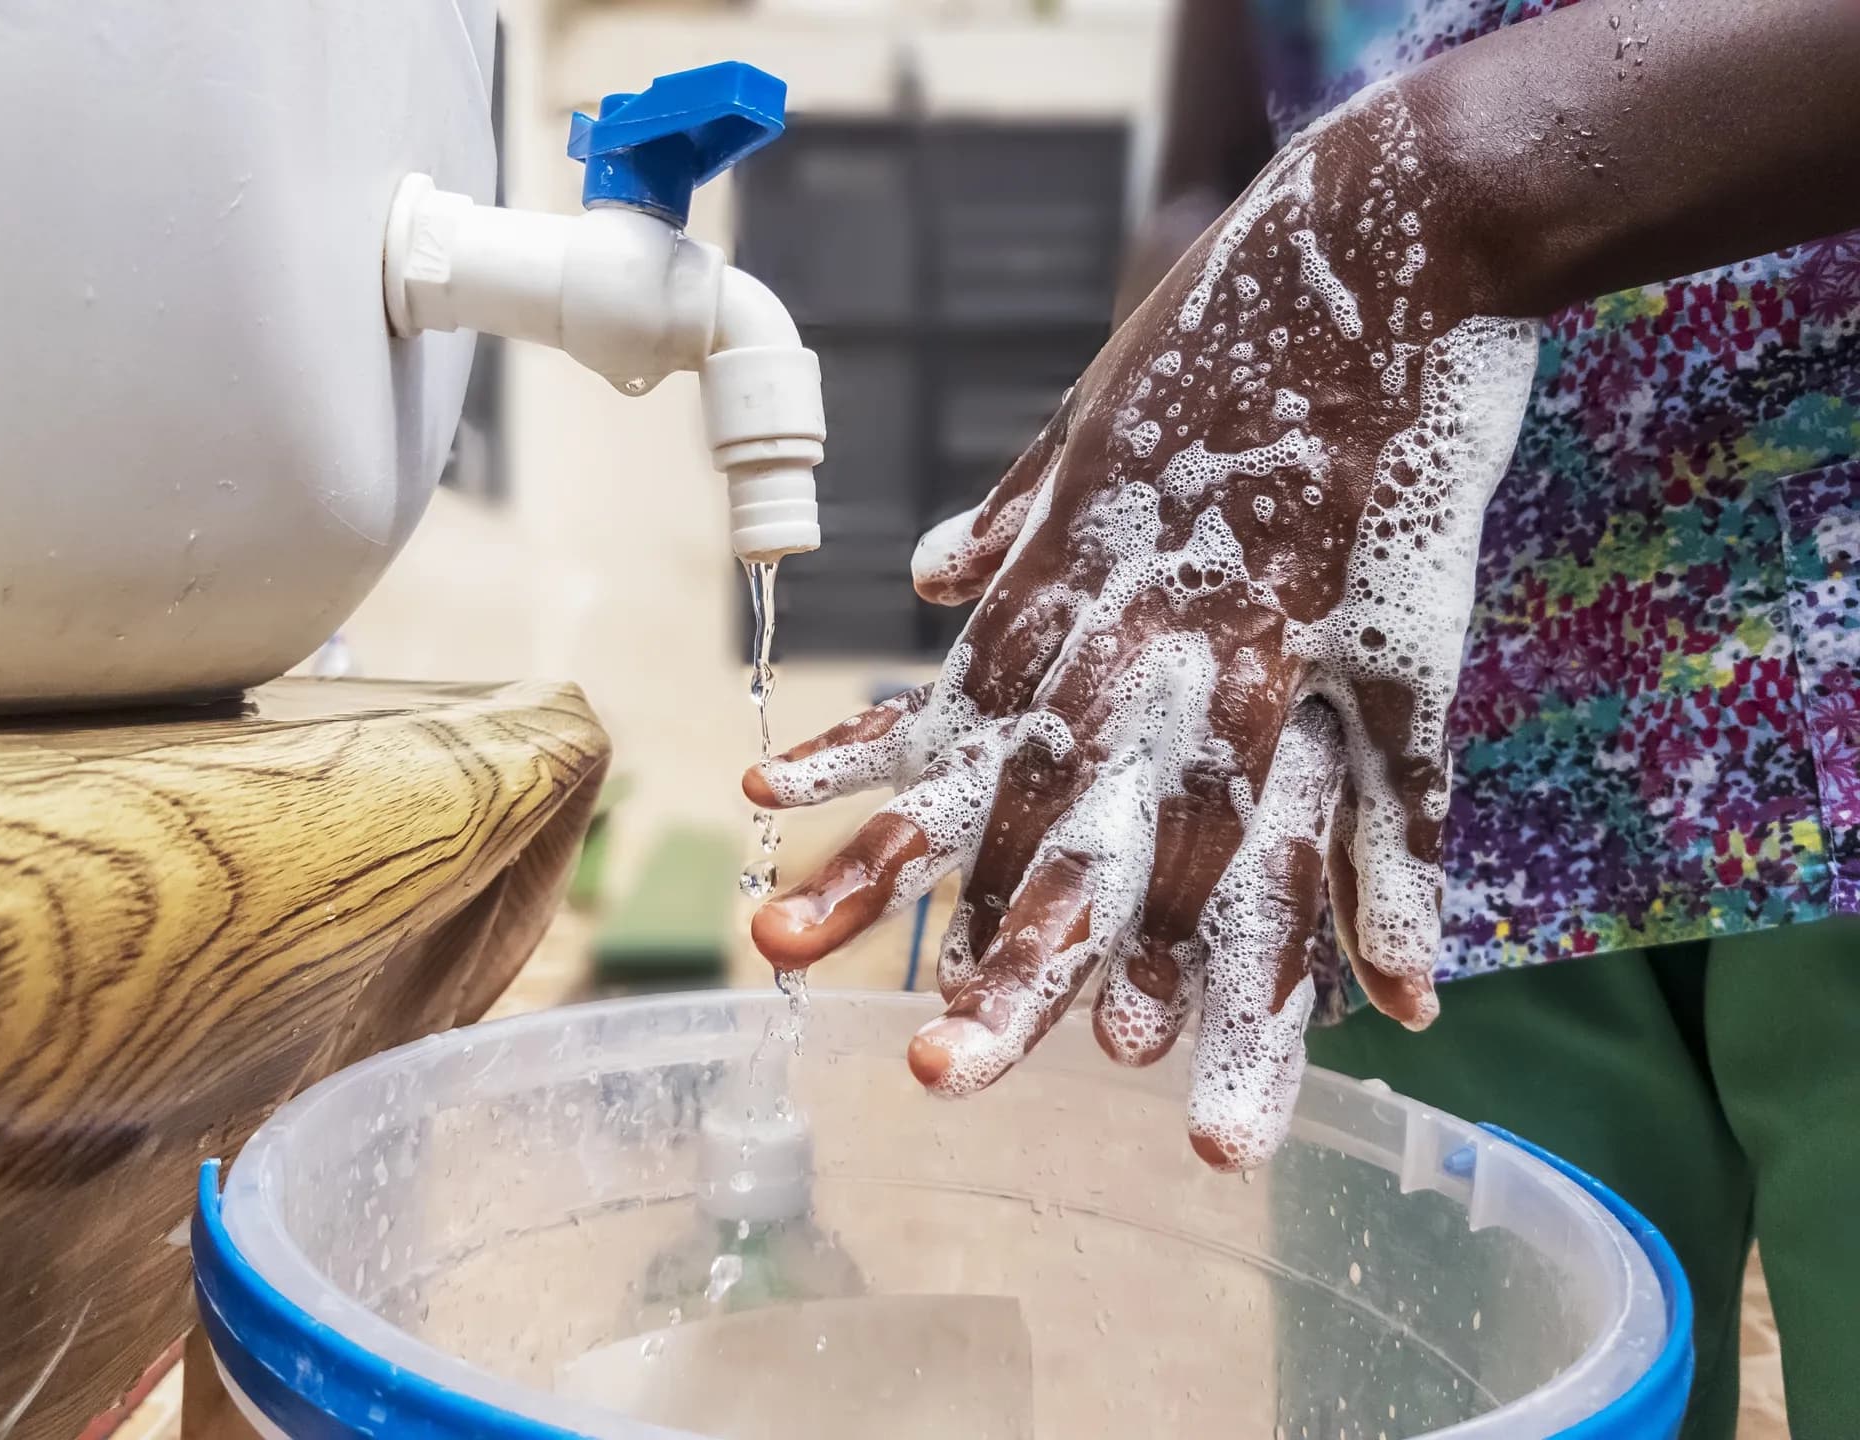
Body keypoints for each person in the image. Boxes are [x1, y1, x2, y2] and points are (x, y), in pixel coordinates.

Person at [744, 1, 1860, 1432]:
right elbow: (1210, 176)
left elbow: (1370, 189)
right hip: (1426, 772)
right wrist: (1183, 505)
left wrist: (1427, 185)